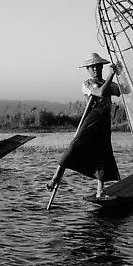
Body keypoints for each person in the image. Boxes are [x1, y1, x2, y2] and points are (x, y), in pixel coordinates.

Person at [46, 52, 121, 198]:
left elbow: (119, 91)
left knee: (103, 152)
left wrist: (119, 73)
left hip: (105, 120)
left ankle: (100, 191)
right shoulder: (87, 84)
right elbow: (100, 92)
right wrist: (111, 76)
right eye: (91, 67)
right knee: (75, 145)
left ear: (101, 67)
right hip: (93, 117)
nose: (94, 69)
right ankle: (55, 177)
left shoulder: (108, 82)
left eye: (97, 66)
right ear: (88, 69)